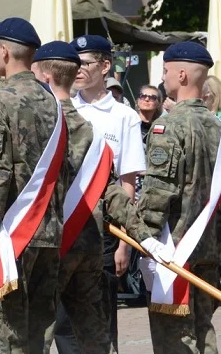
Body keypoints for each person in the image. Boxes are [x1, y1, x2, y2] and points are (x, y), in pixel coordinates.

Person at [104, 41, 221, 354]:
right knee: (203, 332)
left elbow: (158, 194)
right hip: (208, 247)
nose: (163, 76)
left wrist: (139, 233)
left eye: (167, 70)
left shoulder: (167, 125)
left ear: (183, 75)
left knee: (174, 340)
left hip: (173, 247)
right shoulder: (219, 127)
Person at [0, 18, 67, 352]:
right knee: (39, 333)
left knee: (6, 331)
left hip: (12, 233)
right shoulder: (53, 101)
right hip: (49, 231)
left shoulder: (0, 100)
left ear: (4, 50)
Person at [32, 42, 111, 354]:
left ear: (47, 77)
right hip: (89, 237)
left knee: (38, 328)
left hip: (52, 241)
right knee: (91, 329)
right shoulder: (89, 126)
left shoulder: (42, 123)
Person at [69, 35, 145, 352]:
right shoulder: (63, 108)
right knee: (63, 320)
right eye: (74, 63)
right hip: (65, 224)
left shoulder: (124, 116)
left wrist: (124, 244)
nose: (78, 70)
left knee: (101, 312)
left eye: (85, 63)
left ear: (104, 65)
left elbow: (127, 181)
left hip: (104, 228)